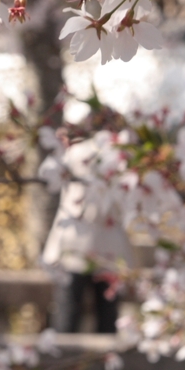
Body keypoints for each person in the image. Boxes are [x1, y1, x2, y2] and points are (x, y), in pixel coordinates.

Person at [41, 136, 133, 334]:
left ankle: (67, 359)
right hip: (99, 246)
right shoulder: (117, 154)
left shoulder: (76, 153)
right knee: (101, 314)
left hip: (78, 242)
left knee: (71, 311)